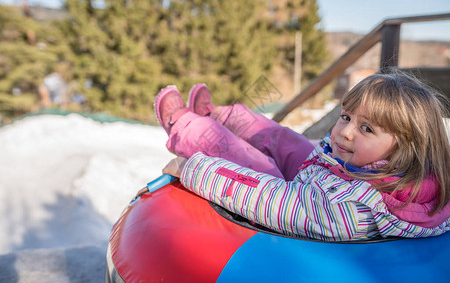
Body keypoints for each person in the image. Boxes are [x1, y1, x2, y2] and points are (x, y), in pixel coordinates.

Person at [155, 73, 450, 241]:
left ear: (406, 147)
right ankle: (222, 116)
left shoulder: (353, 209)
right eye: (346, 117)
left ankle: (188, 128)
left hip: (313, 195)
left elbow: (273, 200)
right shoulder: (398, 168)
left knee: (260, 167)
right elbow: (336, 149)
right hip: (337, 176)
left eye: (366, 128)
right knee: (288, 141)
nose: (345, 132)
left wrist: (194, 169)